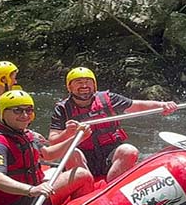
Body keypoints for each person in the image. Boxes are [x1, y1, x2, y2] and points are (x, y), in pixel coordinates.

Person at [0, 90, 94, 205]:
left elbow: (48, 154)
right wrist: (31, 190)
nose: (25, 115)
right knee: (82, 175)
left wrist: (78, 138)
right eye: (17, 110)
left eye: (29, 110)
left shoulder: (26, 134)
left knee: (54, 170)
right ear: (3, 113)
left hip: (29, 195)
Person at [48, 67, 177, 182]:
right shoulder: (63, 109)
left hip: (110, 153)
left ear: (94, 85)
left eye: (88, 82)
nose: (84, 86)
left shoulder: (108, 99)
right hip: (83, 156)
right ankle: (83, 189)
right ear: (69, 87)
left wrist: (162, 105)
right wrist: (67, 133)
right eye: (78, 82)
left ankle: (112, 190)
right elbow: (53, 141)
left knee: (128, 150)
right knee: (71, 152)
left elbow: (137, 106)